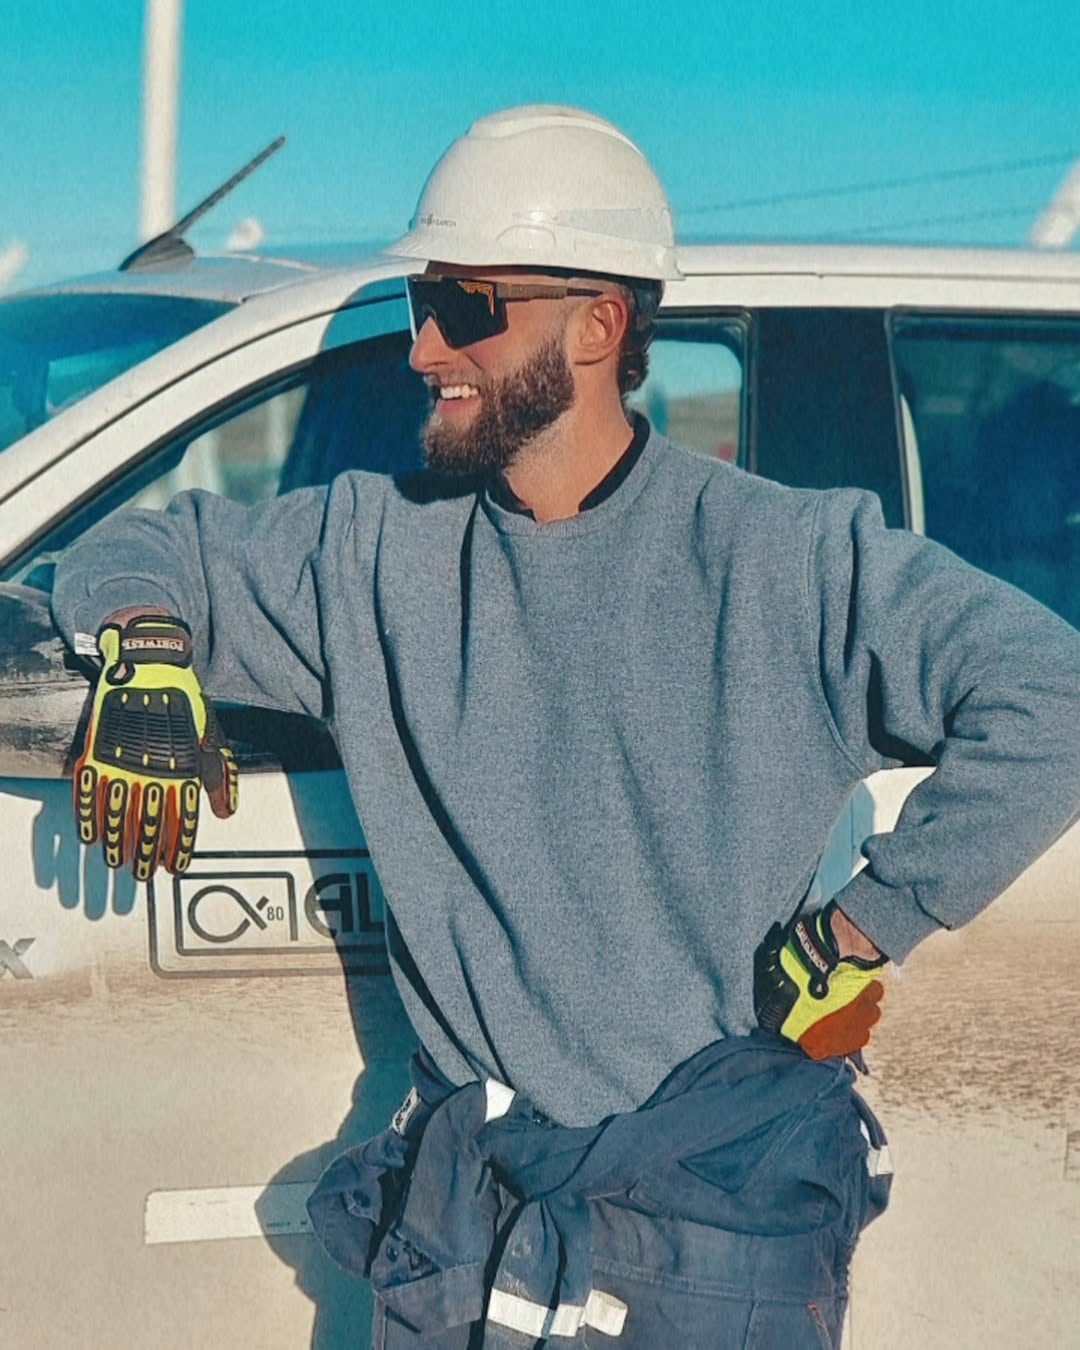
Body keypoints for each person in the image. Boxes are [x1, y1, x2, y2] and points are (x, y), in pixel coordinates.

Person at [52, 106, 1080, 1349]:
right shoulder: (373, 553)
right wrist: (147, 651)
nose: (424, 344)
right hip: (472, 1235)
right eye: (425, 295)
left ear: (599, 324)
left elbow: (1053, 698)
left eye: (468, 302)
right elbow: (138, 542)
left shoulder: (791, 559)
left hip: (715, 1223)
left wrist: (871, 923)